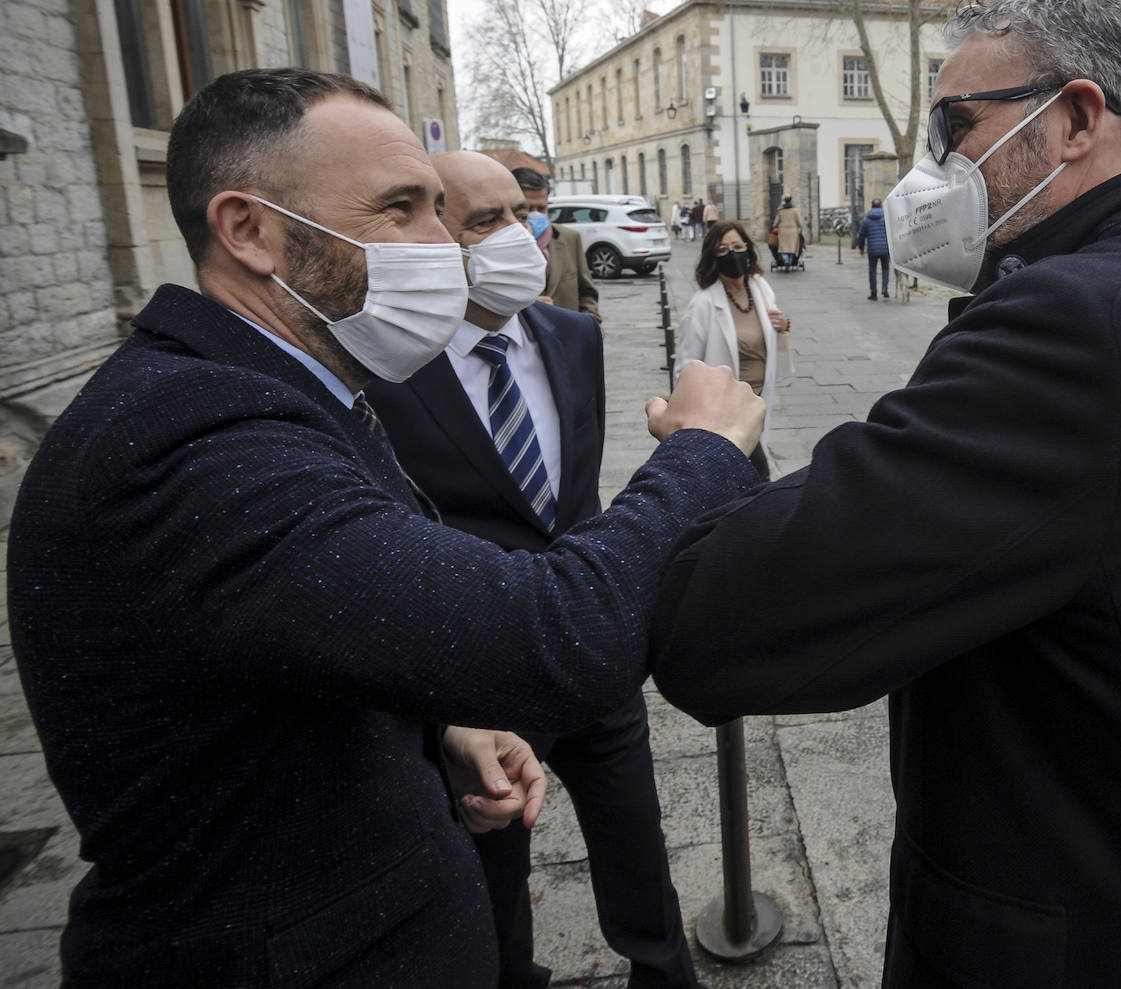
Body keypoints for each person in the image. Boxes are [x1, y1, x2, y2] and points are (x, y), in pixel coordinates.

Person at [7, 68, 764, 986]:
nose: (444, 244)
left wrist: (436, 730)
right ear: (249, 230)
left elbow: (296, 628)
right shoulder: (193, 439)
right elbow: (553, 636)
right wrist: (703, 449)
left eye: (445, 210)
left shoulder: (292, 393)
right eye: (402, 208)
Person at [650, 0, 1121, 986]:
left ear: (1079, 118)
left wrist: (704, 445)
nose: (936, 168)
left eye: (955, 127)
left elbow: (716, 623)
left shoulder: (1082, 323)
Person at [367, 152, 698, 989]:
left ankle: (665, 973)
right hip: (483, 675)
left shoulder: (571, 333)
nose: (522, 234)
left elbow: (575, 494)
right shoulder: (387, 369)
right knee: (494, 881)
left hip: (596, 653)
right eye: (488, 220)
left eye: (526, 211)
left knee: (638, 844)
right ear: (436, 236)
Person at [674, 221, 790, 481]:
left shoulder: (761, 289)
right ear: (713, 257)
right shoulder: (703, 304)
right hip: (724, 414)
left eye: (738, 246)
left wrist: (784, 326)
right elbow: (684, 368)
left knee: (741, 480)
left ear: (748, 249)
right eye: (723, 249)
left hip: (758, 402)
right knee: (759, 477)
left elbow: (773, 336)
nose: (732, 254)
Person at [512, 166, 599, 321]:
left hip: (567, 339)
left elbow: (587, 293)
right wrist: (525, 307)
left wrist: (590, 326)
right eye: (528, 209)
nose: (536, 214)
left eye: (542, 208)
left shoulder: (569, 238)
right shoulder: (499, 244)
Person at [856, 198, 890, 299]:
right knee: (885, 269)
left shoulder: (866, 219)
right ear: (880, 206)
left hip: (872, 250)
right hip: (885, 249)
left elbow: (861, 235)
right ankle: (884, 288)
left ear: (871, 206)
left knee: (872, 271)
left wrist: (861, 248)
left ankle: (874, 293)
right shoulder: (886, 218)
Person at [772, 195, 802, 266]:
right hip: (793, 231)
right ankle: (790, 261)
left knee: (783, 247)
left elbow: (776, 222)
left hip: (783, 232)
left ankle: (786, 260)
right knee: (792, 247)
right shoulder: (795, 210)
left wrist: (774, 225)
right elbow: (799, 222)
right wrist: (799, 226)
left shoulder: (780, 211)